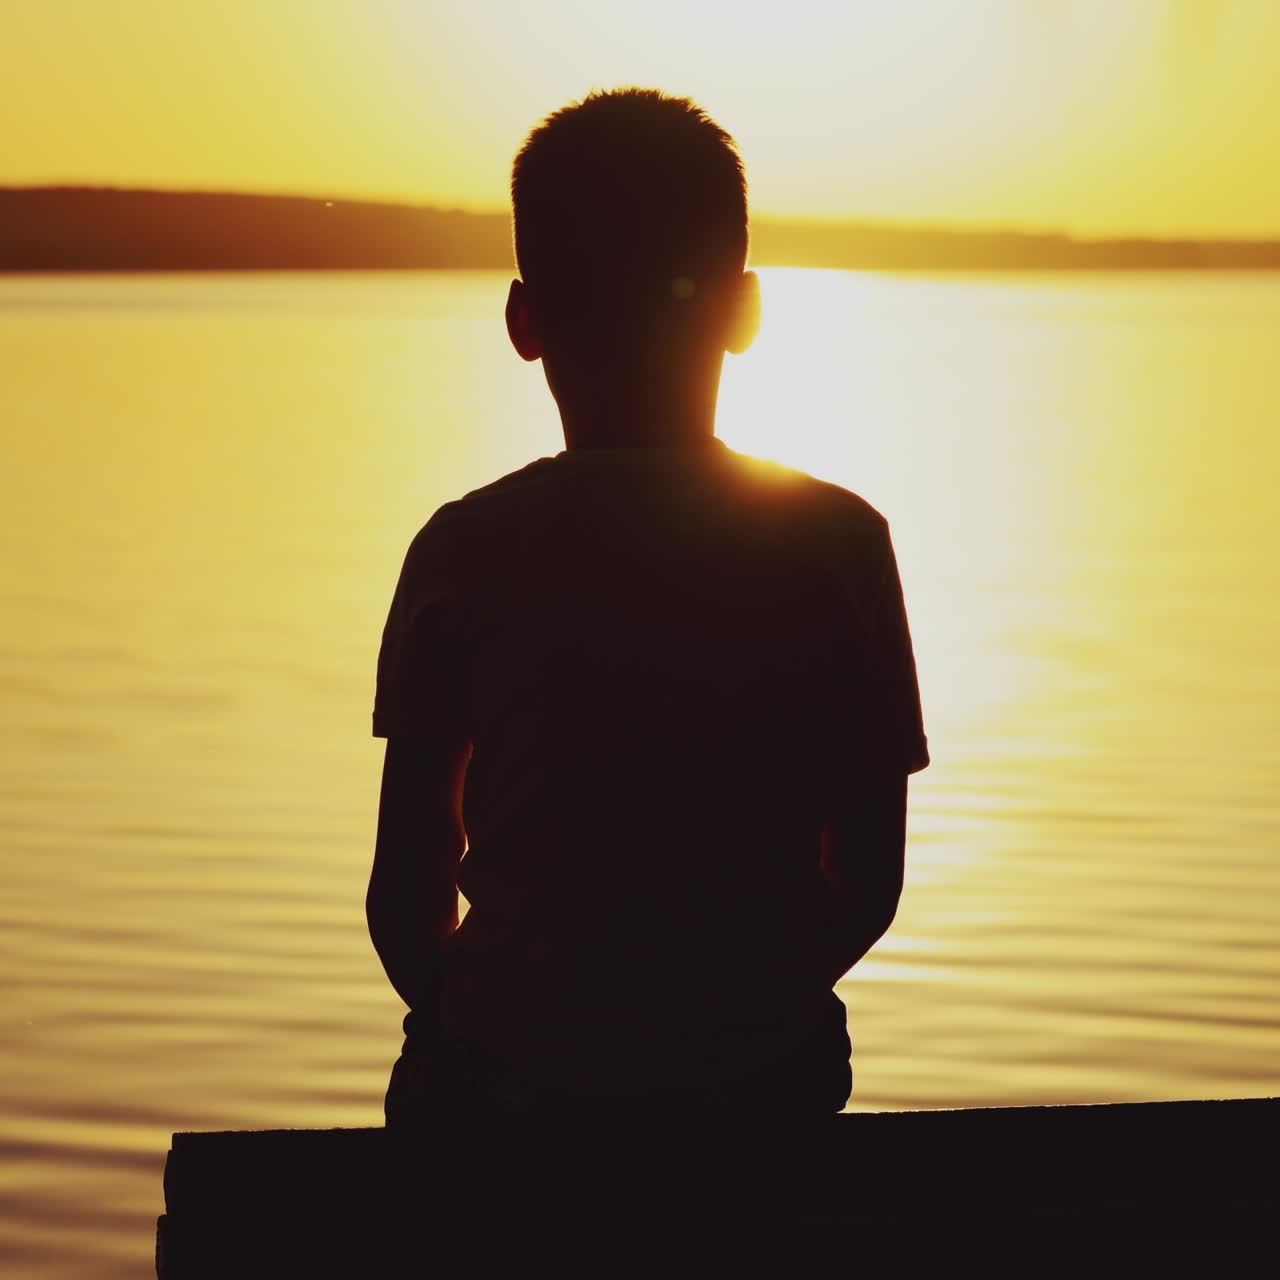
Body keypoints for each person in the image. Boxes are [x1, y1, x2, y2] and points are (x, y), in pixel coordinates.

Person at [367, 88, 929, 1133]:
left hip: (511, 1091)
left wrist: (508, 1024)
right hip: (755, 1086)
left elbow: (406, 902)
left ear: (524, 322)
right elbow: (866, 885)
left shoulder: (460, 552)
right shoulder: (839, 545)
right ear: (745, 311)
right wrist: (734, 1017)